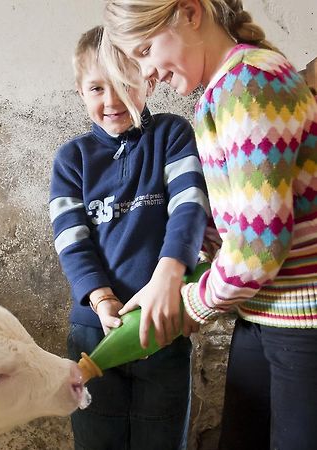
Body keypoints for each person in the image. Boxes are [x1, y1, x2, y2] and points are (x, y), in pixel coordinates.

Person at [101, 1, 317, 449]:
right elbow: (240, 220)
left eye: (144, 51)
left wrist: (195, 305)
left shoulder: (248, 83)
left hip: (303, 317)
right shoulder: (224, 87)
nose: (148, 75)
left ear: (191, 14)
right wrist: (178, 272)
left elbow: (258, 247)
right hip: (266, 312)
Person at [49, 25, 210, 450]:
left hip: (162, 327)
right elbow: (71, 239)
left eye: (124, 84)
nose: (111, 100)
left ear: (148, 79)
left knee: (162, 436)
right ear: (81, 92)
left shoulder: (173, 136)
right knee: (97, 438)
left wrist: (166, 280)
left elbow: (189, 209)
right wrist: (101, 299)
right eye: (97, 88)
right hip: (93, 332)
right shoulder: (72, 160)